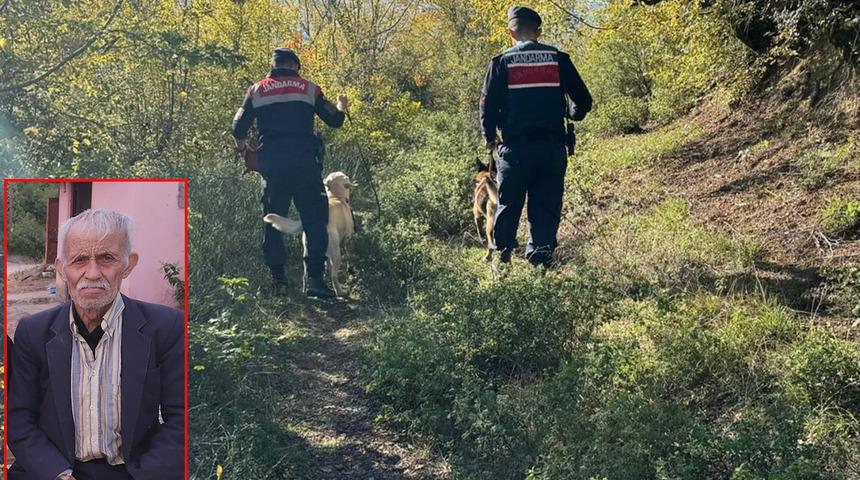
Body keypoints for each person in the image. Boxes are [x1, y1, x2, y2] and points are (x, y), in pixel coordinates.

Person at [7, 208, 185, 480]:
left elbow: (182, 420)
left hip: (132, 472)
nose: (92, 273)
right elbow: (19, 420)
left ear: (128, 264)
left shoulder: (166, 328)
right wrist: (60, 475)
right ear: (61, 269)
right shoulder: (33, 333)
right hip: (55, 470)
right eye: (79, 260)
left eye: (107, 258)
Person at [232, 47, 349, 298]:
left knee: (273, 219)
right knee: (315, 220)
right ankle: (315, 282)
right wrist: (342, 105)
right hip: (305, 164)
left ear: (272, 66)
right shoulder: (309, 89)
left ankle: (279, 282)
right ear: (296, 67)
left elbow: (237, 126)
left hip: (273, 166)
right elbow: (335, 120)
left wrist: (242, 146)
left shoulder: (256, 90)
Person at [479, 6, 592, 268]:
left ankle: (503, 260)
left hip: (514, 151)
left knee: (508, 204)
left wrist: (489, 137)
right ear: (538, 32)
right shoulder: (558, 59)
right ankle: (540, 265)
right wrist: (571, 114)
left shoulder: (501, 62)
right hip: (551, 149)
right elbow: (583, 101)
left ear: (511, 32)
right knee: (545, 207)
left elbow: (486, 105)